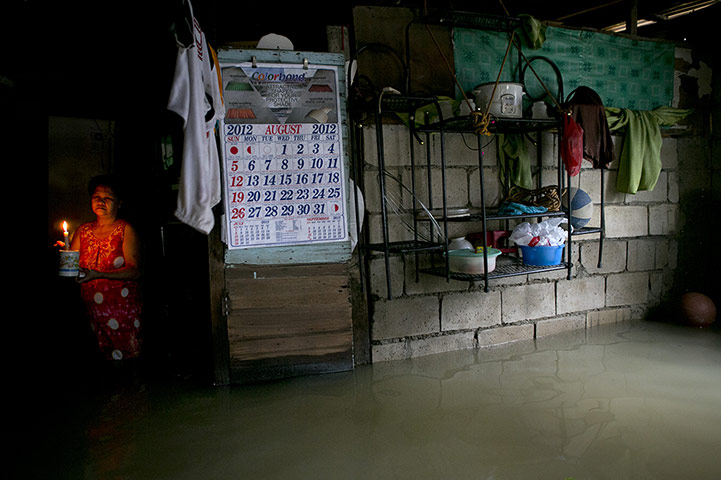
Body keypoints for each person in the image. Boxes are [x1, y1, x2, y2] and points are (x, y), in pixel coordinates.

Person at [70, 175, 143, 364]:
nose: (101, 201)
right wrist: (63, 254)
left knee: (126, 359)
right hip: (92, 309)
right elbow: (71, 267)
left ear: (119, 203)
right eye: (96, 197)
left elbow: (134, 271)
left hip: (121, 309)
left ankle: (133, 391)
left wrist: (99, 274)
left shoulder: (125, 229)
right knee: (99, 359)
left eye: (107, 197)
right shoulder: (83, 231)